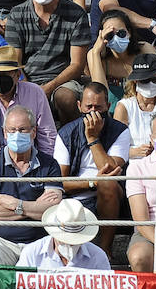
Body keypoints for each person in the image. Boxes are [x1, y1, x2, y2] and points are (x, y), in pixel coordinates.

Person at [0, 105, 64, 264]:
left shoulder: (50, 165)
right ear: (4, 133)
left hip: (40, 243)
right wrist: (34, 207)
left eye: (22, 130)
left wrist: (16, 204)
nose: (17, 134)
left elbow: (53, 212)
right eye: (12, 130)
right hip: (1, 242)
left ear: (33, 132)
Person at [53, 82, 127, 245]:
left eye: (98, 108)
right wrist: (92, 182)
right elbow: (59, 182)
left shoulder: (120, 130)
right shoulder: (66, 133)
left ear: (108, 106)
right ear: (79, 106)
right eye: (89, 107)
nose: (93, 112)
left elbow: (111, 169)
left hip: (110, 195)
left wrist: (93, 139)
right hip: (75, 194)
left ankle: (106, 248)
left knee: (108, 183)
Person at [16, 198, 111, 270]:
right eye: (64, 240)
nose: (69, 244)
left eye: (74, 242)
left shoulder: (98, 256)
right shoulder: (32, 253)